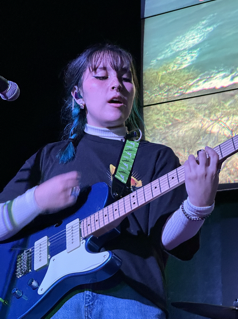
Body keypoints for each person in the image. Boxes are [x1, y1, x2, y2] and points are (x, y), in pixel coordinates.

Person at [0, 43, 219, 319]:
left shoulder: (156, 157)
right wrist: (36, 200)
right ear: (78, 95)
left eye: (126, 77)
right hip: (49, 305)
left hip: (132, 300)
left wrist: (198, 206)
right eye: (102, 76)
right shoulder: (50, 156)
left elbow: (169, 239)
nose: (117, 85)